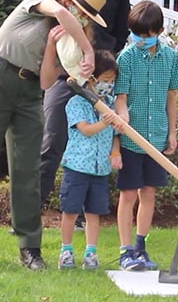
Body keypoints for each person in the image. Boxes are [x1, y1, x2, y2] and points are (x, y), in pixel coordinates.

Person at [0, 0, 107, 270]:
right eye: (78, 8)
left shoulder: (66, 40)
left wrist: (53, 45)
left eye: (84, 15)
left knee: (28, 170)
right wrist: (89, 50)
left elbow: (47, 81)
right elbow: (61, 13)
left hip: (28, 93)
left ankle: (30, 249)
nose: (77, 15)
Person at [39, 0, 131, 226]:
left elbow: (118, 35)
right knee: (53, 139)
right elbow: (48, 26)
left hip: (97, 81)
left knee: (93, 142)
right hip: (65, 76)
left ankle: (80, 213)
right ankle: (33, 209)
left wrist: (102, 64)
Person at [114, 0, 178, 271]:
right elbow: (120, 97)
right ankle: (125, 250)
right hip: (133, 138)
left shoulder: (169, 58)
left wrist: (172, 132)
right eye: (137, 34)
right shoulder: (126, 58)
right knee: (128, 193)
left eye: (147, 35)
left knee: (149, 191)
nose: (141, 39)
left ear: (160, 30)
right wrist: (123, 114)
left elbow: (171, 96)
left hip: (156, 138)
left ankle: (141, 247)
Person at [57, 50, 122, 270]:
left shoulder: (111, 105)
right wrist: (106, 122)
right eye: (105, 80)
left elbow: (115, 135)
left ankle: (90, 253)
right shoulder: (76, 102)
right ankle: (66, 251)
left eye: (112, 81)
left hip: (100, 170)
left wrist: (115, 153)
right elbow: (85, 129)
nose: (108, 85)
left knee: (94, 212)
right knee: (71, 210)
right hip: (77, 167)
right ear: (92, 79)